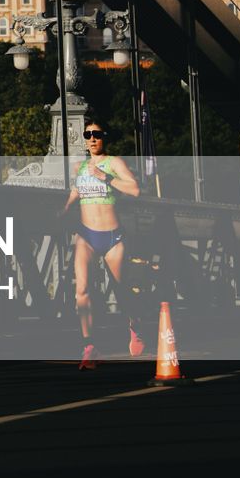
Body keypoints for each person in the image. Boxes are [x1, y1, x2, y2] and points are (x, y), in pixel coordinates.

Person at [62, 121, 144, 368]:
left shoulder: (114, 162)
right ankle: (89, 346)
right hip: (86, 234)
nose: (92, 138)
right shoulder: (82, 166)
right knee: (82, 290)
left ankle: (134, 327)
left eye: (96, 134)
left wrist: (106, 177)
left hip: (112, 237)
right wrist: (63, 210)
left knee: (121, 290)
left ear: (103, 137)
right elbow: (76, 192)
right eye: (88, 135)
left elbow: (135, 190)